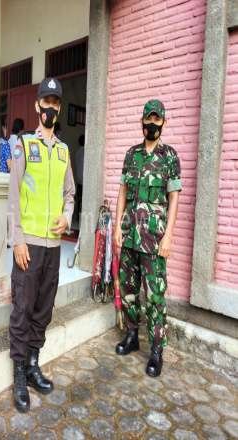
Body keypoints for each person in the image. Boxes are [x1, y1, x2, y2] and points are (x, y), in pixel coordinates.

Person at [8, 77, 75, 413]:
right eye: (46, 102)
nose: (50, 108)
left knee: (43, 309)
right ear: (37, 105)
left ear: (59, 108)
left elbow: (70, 193)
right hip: (29, 245)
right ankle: (19, 374)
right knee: (22, 308)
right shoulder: (22, 144)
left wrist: (67, 216)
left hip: (53, 246)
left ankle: (33, 364)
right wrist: (17, 240)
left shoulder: (63, 151)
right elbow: (13, 195)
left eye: (55, 103)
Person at [113, 99, 181, 377]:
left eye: (156, 119)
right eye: (148, 119)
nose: (151, 124)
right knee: (129, 291)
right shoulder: (131, 155)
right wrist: (117, 227)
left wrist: (169, 236)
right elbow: (122, 192)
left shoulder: (170, 157)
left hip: (154, 239)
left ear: (163, 122)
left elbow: (173, 198)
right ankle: (132, 336)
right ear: (141, 121)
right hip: (130, 235)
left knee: (154, 297)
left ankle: (156, 350)